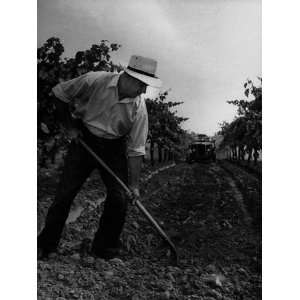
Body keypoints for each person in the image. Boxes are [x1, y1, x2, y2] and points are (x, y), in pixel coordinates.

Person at [38, 55, 162, 260]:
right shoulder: (94, 80)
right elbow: (59, 94)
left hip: (114, 148)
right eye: (142, 85)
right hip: (83, 140)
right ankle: (46, 244)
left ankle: (104, 248)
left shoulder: (139, 108)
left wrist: (134, 185)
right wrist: (69, 127)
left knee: (119, 198)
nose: (144, 91)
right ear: (128, 77)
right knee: (65, 193)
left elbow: (136, 149)